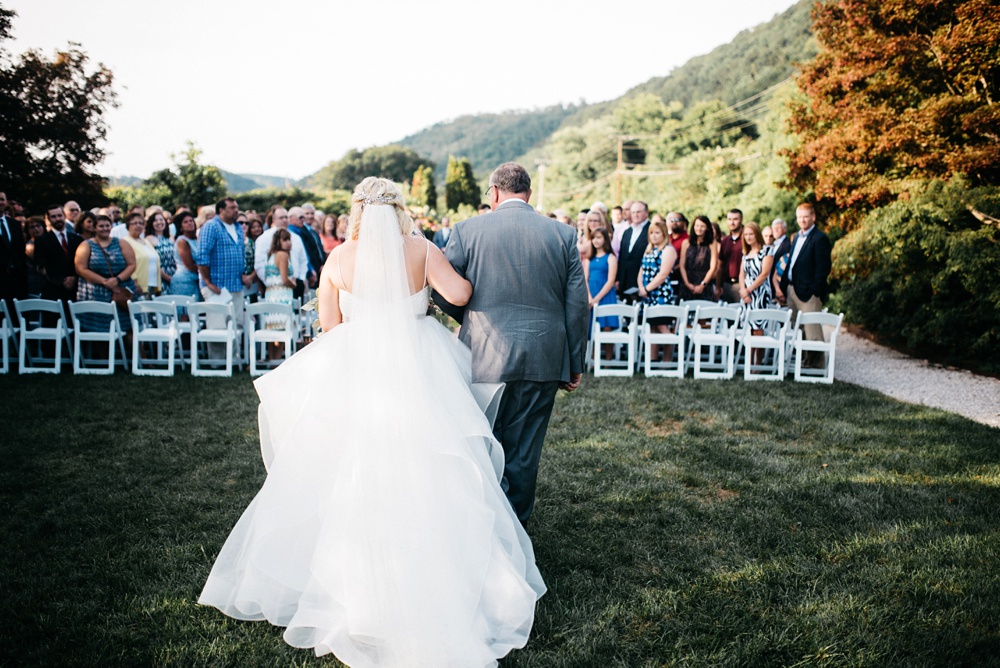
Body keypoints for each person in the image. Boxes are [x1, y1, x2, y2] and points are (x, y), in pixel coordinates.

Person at [200, 177, 545, 666]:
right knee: (430, 461)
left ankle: (346, 581)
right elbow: (462, 294)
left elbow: (330, 326)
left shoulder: (339, 258)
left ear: (357, 211)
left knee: (346, 464)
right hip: (421, 365)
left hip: (357, 368)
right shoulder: (422, 249)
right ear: (399, 209)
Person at [435, 162, 589, 526]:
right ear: (529, 194)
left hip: (483, 354)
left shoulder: (467, 230)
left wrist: (471, 323)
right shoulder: (563, 234)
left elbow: (444, 293)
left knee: (484, 442)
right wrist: (575, 362)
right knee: (524, 450)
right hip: (543, 357)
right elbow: (577, 305)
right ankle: (516, 528)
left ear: (494, 192)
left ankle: (486, 525)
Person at [780, 203, 832, 364]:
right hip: (792, 289)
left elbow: (823, 268)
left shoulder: (820, 238)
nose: (802, 220)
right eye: (800, 217)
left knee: (812, 331)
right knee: (798, 328)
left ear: (813, 217)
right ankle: (804, 362)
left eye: (805, 216)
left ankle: (817, 366)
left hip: (808, 293)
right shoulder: (796, 237)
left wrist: (814, 290)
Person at [74, 215, 137, 334]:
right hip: (95, 291)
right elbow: (80, 268)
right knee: (99, 331)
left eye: (107, 226)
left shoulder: (121, 243)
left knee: (129, 327)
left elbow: (132, 264)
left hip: (120, 290)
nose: (104, 228)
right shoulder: (86, 245)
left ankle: (134, 353)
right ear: (94, 228)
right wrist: (104, 281)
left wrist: (117, 279)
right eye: (101, 226)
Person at [638, 218, 678, 363]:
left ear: (664, 234)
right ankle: (652, 360)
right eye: (651, 233)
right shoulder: (649, 250)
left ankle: (668, 360)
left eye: (657, 233)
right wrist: (641, 288)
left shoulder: (668, 250)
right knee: (652, 326)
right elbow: (641, 271)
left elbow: (663, 274)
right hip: (647, 295)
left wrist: (647, 288)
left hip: (660, 294)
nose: (654, 236)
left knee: (662, 325)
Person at [738, 222, 774, 353]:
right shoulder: (746, 253)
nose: (748, 237)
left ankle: (757, 363)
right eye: (746, 234)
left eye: (751, 234)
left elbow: (764, 274)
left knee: (758, 326)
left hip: (760, 293)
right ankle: (748, 360)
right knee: (748, 326)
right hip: (747, 294)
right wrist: (743, 290)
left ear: (756, 235)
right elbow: (741, 274)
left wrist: (749, 290)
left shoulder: (767, 250)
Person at [35, 204, 83, 303]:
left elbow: (82, 263)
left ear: (64, 216)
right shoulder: (42, 241)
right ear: (48, 219)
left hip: (75, 290)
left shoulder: (77, 239)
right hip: (53, 290)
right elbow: (41, 266)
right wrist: (61, 280)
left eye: (59, 215)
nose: (57, 219)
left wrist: (74, 278)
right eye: (53, 217)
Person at [585, 226, 619, 359]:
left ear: (605, 239)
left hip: (606, 295)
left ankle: (608, 359)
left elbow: (611, 281)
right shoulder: (589, 258)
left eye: (599, 237)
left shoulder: (610, 257)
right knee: (591, 327)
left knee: (606, 327)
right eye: (593, 238)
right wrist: (589, 297)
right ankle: (593, 358)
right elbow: (585, 278)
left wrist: (597, 299)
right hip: (591, 295)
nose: (595, 241)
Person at [261, 228, 296, 332]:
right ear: (278, 241)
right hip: (281, 296)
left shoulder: (271, 255)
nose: (288, 243)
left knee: (273, 335)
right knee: (282, 333)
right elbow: (284, 279)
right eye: (285, 240)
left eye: (289, 239)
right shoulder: (283, 255)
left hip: (271, 296)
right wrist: (294, 284)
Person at [678, 215, 718, 301]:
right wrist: (687, 283)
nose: (699, 228)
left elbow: (713, 267)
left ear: (707, 228)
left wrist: (702, 285)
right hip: (687, 283)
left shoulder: (712, 244)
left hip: (704, 283)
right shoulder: (686, 243)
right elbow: (682, 265)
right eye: (697, 225)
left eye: (702, 226)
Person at [616, 201, 650, 303]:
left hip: (643, 282)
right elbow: (622, 257)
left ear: (646, 213)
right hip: (625, 280)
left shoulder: (651, 230)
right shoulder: (627, 231)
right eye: (633, 212)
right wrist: (618, 278)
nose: (635, 215)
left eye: (638, 212)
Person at [0, 191, 28, 314]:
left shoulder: (15, 224)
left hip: (16, 280)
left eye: (2, 199)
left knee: (16, 316)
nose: (0, 202)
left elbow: (21, 251)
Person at [122, 212, 161, 297]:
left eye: (141, 223)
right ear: (128, 226)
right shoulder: (125, 242)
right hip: (139, 287)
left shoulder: (146, 241)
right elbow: (126, 264)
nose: (138, 225)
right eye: (135, 223)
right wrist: (135, 282)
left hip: (153, 285)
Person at [169, 211, 200, 299]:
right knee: (185, 311)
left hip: (194, 281)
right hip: (184, 282)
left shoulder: (195, 240)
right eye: (185, 222)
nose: (189, 223)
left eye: (191, 221)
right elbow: (189, 265)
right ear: (180, 226)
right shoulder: (182, 241)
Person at [716, 208, 744, 304]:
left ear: (741, 220)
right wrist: (718, 286)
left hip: (741, 285)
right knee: (728, 316)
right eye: (729, 219)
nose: (732, 222)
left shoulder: (746, 239)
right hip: (726, 284)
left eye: (735, 219)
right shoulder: (725, 241)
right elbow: (720, 265)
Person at [145, 210, 176, 295]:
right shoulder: (149, 239)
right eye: (155, 220)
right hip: (160, 277)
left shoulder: (171, 238)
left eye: (161, 219)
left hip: (175, 275)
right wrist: (167, 278)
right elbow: (152, 263)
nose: (159, 222)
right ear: (151, 224)